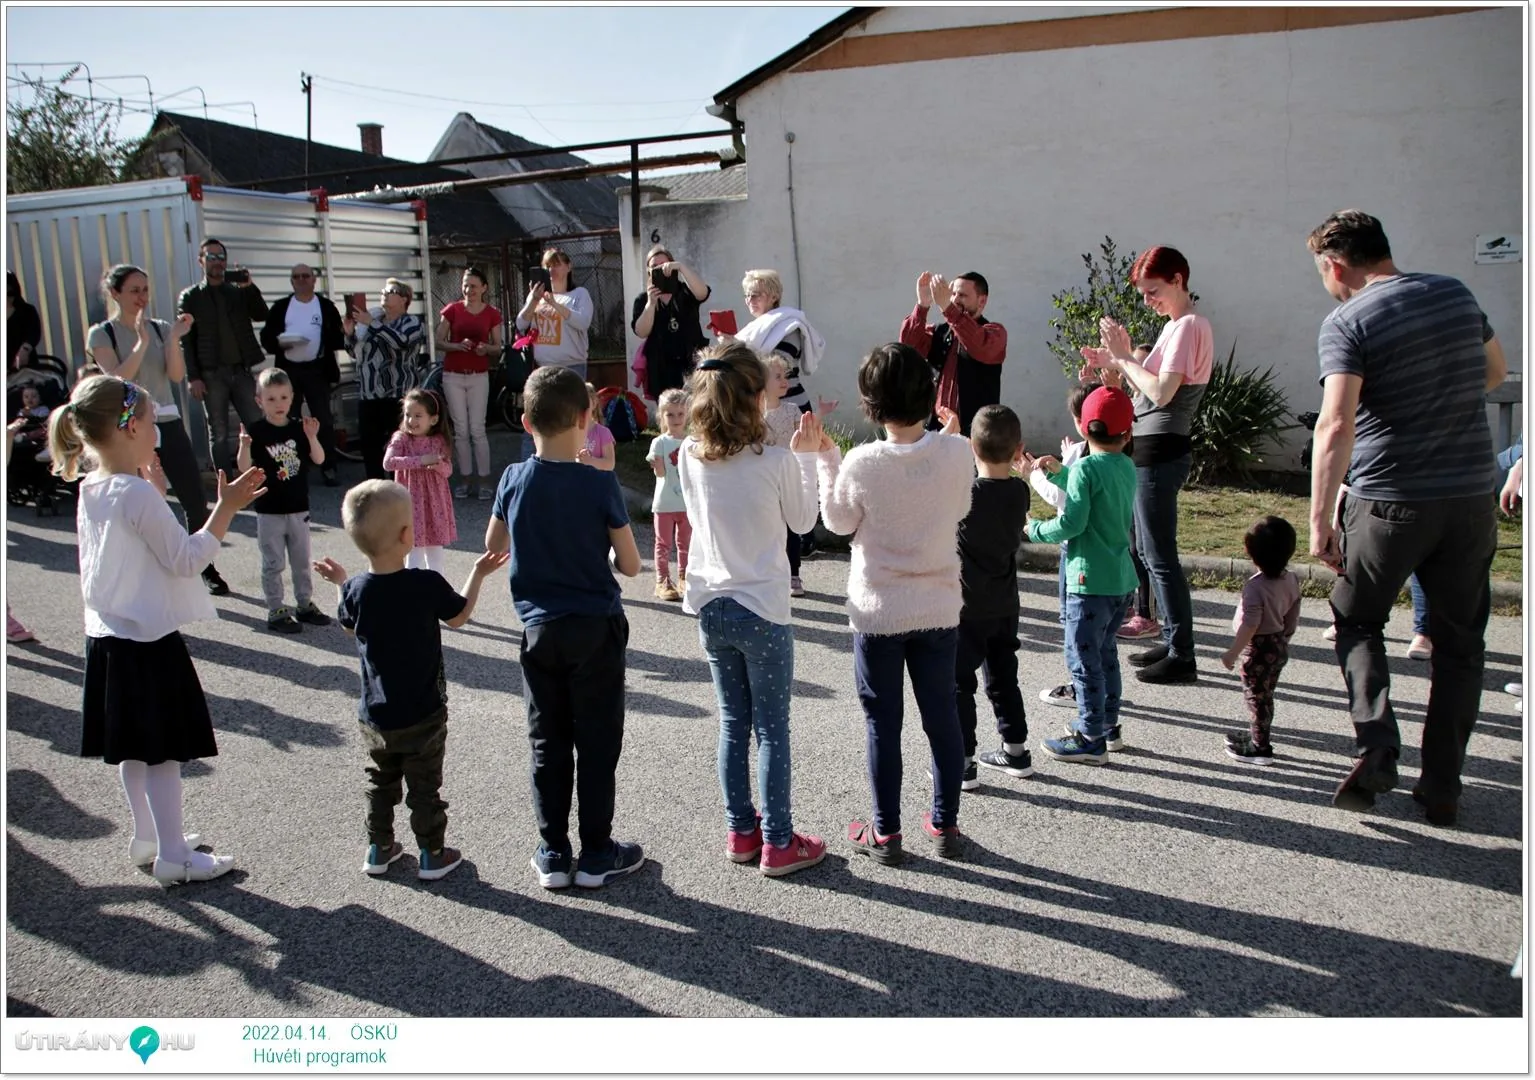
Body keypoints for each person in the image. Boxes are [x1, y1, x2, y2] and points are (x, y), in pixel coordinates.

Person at [1305, 209, 1505, 827]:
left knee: (1356, 617)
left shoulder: (1347, 321)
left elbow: (1335, 423)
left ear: (1336, 265)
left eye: (1322, 273)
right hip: (1471, 497)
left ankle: (1377, 745)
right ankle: (1442, 786)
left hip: (1391, 499)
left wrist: (1320, 519)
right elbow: (1494, 373)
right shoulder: (1454, 292)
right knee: (1460, 647)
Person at [49, 373, 265, 884]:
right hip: (147, 641)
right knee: (165, 749)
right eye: (149, 419)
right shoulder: (135, 496)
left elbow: (127, 551)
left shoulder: (94, 487)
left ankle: (147, 835)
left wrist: (156, 493)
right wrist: (225, 509)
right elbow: (186, 559)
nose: (157, 428)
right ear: (127, 428)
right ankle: (173, 855)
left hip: (108, 636)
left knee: (132, 746)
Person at [677, 342, 839, 877]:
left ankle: (741, 832)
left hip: (712, 605)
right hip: (763, 608)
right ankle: (777, 841)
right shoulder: (773, 460)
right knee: (771, 729)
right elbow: (802, 521)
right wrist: (809, 457)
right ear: (752, 396)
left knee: (732, 723)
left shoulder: (687, 454)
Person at [485, 365, 644, 890]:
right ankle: (598, 851)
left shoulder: (512, 479)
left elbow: (496, 543)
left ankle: (553, 851)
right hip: (595, 627)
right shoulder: (599, 483)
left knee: (548, 742)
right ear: (585, 417)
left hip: (539, 631)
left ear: (526, 421)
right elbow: (631, 565)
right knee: (597, 742)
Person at [820, 343, 975, 865]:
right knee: (942, 718)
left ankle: (886, 834)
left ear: (872, 403)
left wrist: (824, 462)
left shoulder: (863, 462)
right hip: (937, 607)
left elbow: (838, 523)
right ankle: (945, 825)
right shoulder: (957, 452)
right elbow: (960, 506)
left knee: (882, 724)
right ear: (929, 395)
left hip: (878, 609)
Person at [313, 480, 505, 882]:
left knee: (380, 781)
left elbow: (350, 629)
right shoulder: (424, 584)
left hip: (376, 714)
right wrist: (477, 572)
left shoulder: (356, 590)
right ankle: (432, 853)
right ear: (406, 535)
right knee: (424, 786)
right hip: (424, 711)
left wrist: (340, 584)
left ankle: (378, 848)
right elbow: (457, 616)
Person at [1087, 246, 1213, 685]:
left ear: (1179, 280)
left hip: (1162, 453)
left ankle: (1184, 653)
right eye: (1143, 293)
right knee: (1145, 551)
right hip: (1152, 450)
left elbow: (1160, 393)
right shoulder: (1176, 327)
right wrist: (1114, 362)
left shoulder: (1188, 327)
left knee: (1159, 557)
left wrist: (1123, 358)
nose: (1148, 301)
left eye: (1153, 291)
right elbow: (1150, 386)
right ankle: (1176, 640)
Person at [89, 264, 231, 596]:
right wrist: (139, 342)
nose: (142, 297)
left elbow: (177, 376)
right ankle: (145, 569)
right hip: (127, 426)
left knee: (193, 498)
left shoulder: (161, 328)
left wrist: (172, 341)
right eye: (134, 290)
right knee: (140, 500)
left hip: (165, 419)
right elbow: (117, 381)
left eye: (145, 289)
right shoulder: (103, 334)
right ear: (115, 294)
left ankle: (202, 566)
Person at [1027, 386, 1139, 764]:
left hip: (1088, 582)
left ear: (1085, 430)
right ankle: (1108, 724)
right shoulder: (1125, 467)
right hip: (1120, 581)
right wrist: (1062, 475)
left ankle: (1089, 737)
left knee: (1082, 659)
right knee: (1106, 654)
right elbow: (1095, 491)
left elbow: (1072, 523)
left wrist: (1034, 530)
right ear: (1127, 433)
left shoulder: (1087, 468)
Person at [955, 405, 1033, 784]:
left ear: (972, 446)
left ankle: (963, 760)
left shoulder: (965, 496)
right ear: (1019, 450)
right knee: (1004, 678)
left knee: (960, 683)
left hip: (967, 606)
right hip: (1005, 603)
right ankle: (1016, 750)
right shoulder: (1020, 491)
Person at [734, 269, 835, 561]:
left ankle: (805, 535)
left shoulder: (787, 325)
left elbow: (779, 366)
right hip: (766, 408)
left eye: (757, 294)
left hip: (789, 406)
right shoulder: (761, 328)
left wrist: (737, 350)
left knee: (798, 470)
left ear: (774, 295)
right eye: (747, 295)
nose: (750, 300)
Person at [236, 369, 329, 633]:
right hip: (269, 509)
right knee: (274, 561)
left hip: (299, 507)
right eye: (271, 399)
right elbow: (245, 469)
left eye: (283, 397)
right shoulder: (257, 431)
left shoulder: (299, 428)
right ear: (259, 401)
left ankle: (304, 604)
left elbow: (319, 459)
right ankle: (276, 609)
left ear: (292, 399)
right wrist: (243, 445)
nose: (278, 404)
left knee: (301, 560)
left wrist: (312, 437)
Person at [177, 238, 268, 478]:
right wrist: (193, 376)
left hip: (240, 370)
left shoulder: (237, 292)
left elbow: (261, 314)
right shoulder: (191, 297)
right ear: (201, 261)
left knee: (256, 424)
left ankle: (260, 476)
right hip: (210, 373)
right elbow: (186, 340)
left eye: (221, 258)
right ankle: (225, 483)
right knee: (218, 432)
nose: (217, 263)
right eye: (211, 257)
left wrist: (249, 287)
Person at [1033, 380, 1095, 717]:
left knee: (1073, 621)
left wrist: (1034, 475)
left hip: (1077, 556)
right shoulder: (1122, 464)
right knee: (1101, 637)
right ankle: (1104, 704)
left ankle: (1081, 690)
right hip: (1112, 562)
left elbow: (1065, 504)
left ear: (1077, 420)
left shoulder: (1079, 460)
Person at [1220, 516, 1302, 764]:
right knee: (1266, 694)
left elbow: (1250, 624)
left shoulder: (1255, 588)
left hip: (1257, 648)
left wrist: (1233, 653)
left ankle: (1260, 748)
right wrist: (1286, 636)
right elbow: (1294, 610)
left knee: (1257, 698)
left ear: (1249, 551)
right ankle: (1257, 736)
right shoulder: (1291, 579)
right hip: (1277, 644)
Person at [259, 262, 345, 487]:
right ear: (291, 281)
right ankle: (292, 468)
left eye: (305, 276)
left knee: (323, 420)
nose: (301, 280)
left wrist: (346, 328)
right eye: (296, 276)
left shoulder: (325, 306)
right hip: (289, 372)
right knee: (288, 419)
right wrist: (281, 344)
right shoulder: (281, 307)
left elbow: (338, 338)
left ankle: (328, 467)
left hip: (317, 369)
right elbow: (267, 338)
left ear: (314, 280)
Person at [899, 270, 1007, 436]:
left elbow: (978, 344)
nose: (955, 299)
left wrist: (947, 308)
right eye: (953, 294)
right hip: (934, 430)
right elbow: (907, 347)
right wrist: (923, 304)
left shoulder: (994, 333)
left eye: (962, 295)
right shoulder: (938, 332)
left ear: (982, 301)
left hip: (976, 435)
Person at [344, 278, 426, 481]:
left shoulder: (412, 322)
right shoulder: (372, 320)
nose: (384, 294)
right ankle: (376, 491)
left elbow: (400, 342)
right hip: (369, 394)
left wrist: (371, 324)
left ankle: (400, 490)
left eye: (391, 291)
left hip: (397, 396)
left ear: (404, 299)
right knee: (370, 447)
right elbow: (355, 354)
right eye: (383, 291)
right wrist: (349, 335)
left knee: (397, 446)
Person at [435, 267, 502, 500]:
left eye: (473, 285)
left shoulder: (492, 313)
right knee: (461, 430)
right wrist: (456, 346)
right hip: (453, 375)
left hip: (478, 376)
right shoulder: (452, 310)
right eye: (465, 285)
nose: (468, 289)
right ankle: (464, 478)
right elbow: (438, 341)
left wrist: (485, 349)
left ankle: (484, 479)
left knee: (477, 429)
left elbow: (498, 346)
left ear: (484, 288)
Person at [383, 388, 457, 575]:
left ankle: (438, 593)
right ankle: (412, 595)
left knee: (435, 555)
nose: (411, 421)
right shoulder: (401, 438)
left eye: (418, 416)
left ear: (433, 419)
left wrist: (438, 465)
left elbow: (448, 471)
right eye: (408, 415)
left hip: (434, 505)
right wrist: (421, 460)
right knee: (413, 553)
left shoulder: (439, 440)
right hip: (409, 503)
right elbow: (388, 463)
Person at [1118, 343, 1162, 642]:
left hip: (1144, 482)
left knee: (1144, 551)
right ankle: (1135, 606)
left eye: (1142, 365)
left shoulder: (1156, 405)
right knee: (1130, 547)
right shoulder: (1132, 404)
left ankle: (1148, 615)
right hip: (1129, 482)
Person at [632, 244, 710, 401]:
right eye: (655, 266)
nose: (660, 269)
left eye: (664, 265)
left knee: (694, 409)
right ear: (648, 271)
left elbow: (702, 293)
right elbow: (641, 332)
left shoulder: (686, 291)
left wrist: (680, 267)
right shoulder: (643, 300)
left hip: (691, 362)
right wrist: (651, 304)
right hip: (661, 367)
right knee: (668, 413)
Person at [762, 353, 808, 596]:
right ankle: (769, 571)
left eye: (785, 376)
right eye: (777, 376)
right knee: (768, 526)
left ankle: (794, 573)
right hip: (765, 481)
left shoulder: (792, 410)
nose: (784, 381)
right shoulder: (755, 415)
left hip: (789, 477)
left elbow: (803, 437)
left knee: (792, 527)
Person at [646, 388, 690, 602]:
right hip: (664, 503)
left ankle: (684, 577)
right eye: (670, 414)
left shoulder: (692, 441)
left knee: (686, 543)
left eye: (680, 413)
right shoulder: (660, 443)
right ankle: (662, 581)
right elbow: (661, 473)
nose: (676, 419)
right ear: (662, 416)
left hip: (687, 503)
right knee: (663, 544)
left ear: (687, 414)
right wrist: (658, 465)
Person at [8, 271, 43, 371]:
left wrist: (25, 349)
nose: (6, 298)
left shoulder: (27, 311)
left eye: (10, 293)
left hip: (26, 368)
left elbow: (34, 333)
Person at [580, 383, 616, 472]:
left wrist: (590, 461)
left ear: (594, 403)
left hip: (597, 483)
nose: (581, 406)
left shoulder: (603, 433)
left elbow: (610, 464)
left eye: (585, 402)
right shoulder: (570, 432)